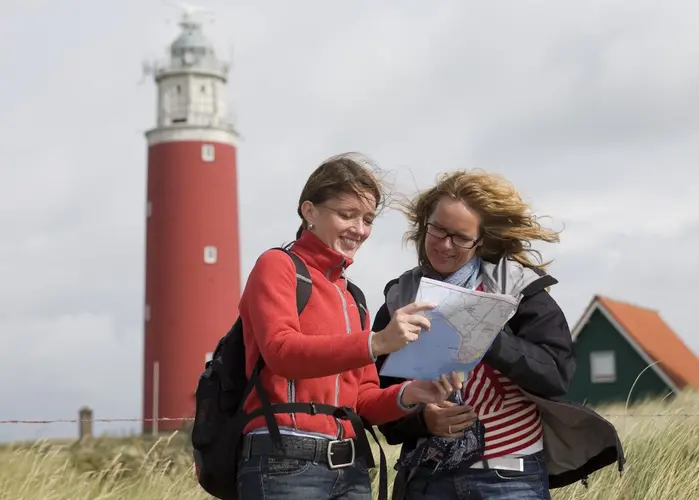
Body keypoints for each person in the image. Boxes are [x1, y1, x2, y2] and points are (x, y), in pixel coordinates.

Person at [374, 170, 625, 500]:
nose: (444, 244)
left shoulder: (520, 290)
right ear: (424, 224)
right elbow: (378, 402)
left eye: (460, 237)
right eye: (436, 229)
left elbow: (555, 374)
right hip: (427, 478)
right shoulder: (399, 300)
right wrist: (422, 420)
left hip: (510, 478)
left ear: (482, 241)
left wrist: (487, 333)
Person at [235, 153, 463, 500]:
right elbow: (281, 352)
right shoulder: (277, 266)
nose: (359, 229)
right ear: (309, 211)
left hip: (351, 469)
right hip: (283, 458)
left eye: (368, 219)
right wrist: (376, 343)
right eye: (347, 215)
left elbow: (364, 401)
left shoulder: (352, 296)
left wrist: (411, 393)